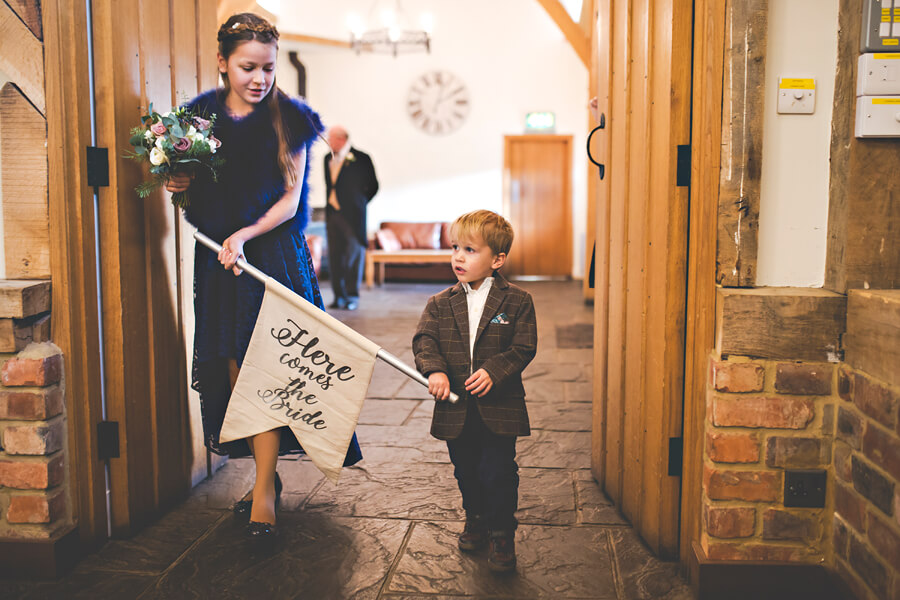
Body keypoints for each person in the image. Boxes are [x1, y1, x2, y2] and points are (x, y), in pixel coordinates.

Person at [165, 12, 362, 539]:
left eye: (268, 67)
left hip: (270, 254)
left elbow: (291, 199)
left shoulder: (290, 119)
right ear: (223, 62)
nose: (260, 78)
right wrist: (179, 183)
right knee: (231, 369)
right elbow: (194, 198)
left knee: (271, 369)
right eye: (248, 67)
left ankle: (265, 489)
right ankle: (263, 480)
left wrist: (246, 235)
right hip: (220, 262)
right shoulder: (197, 119)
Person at [412, 210, 537, 573]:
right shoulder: (439, 303)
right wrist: (434, 370)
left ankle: (501, 531)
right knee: (465, 468)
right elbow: (425, 340)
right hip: (455, 408)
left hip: (499, 407)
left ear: (497, 260)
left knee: (498, 470)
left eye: (469, 249)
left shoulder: (517, 302)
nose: (458, 256)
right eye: (455, 247)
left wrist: (493, 372)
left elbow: (523, 347)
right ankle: (476, 517)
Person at [323, 126, 379, 311]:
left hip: (354, 216)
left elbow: (373, 185)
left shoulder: (361, 158)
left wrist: (359, 202)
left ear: (341, 139)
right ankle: (338, 296)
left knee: (353, 257)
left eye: (330, 138)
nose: (328, 142)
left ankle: (352, 296)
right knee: (335, 257)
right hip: (332, 215)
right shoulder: (327, 159)